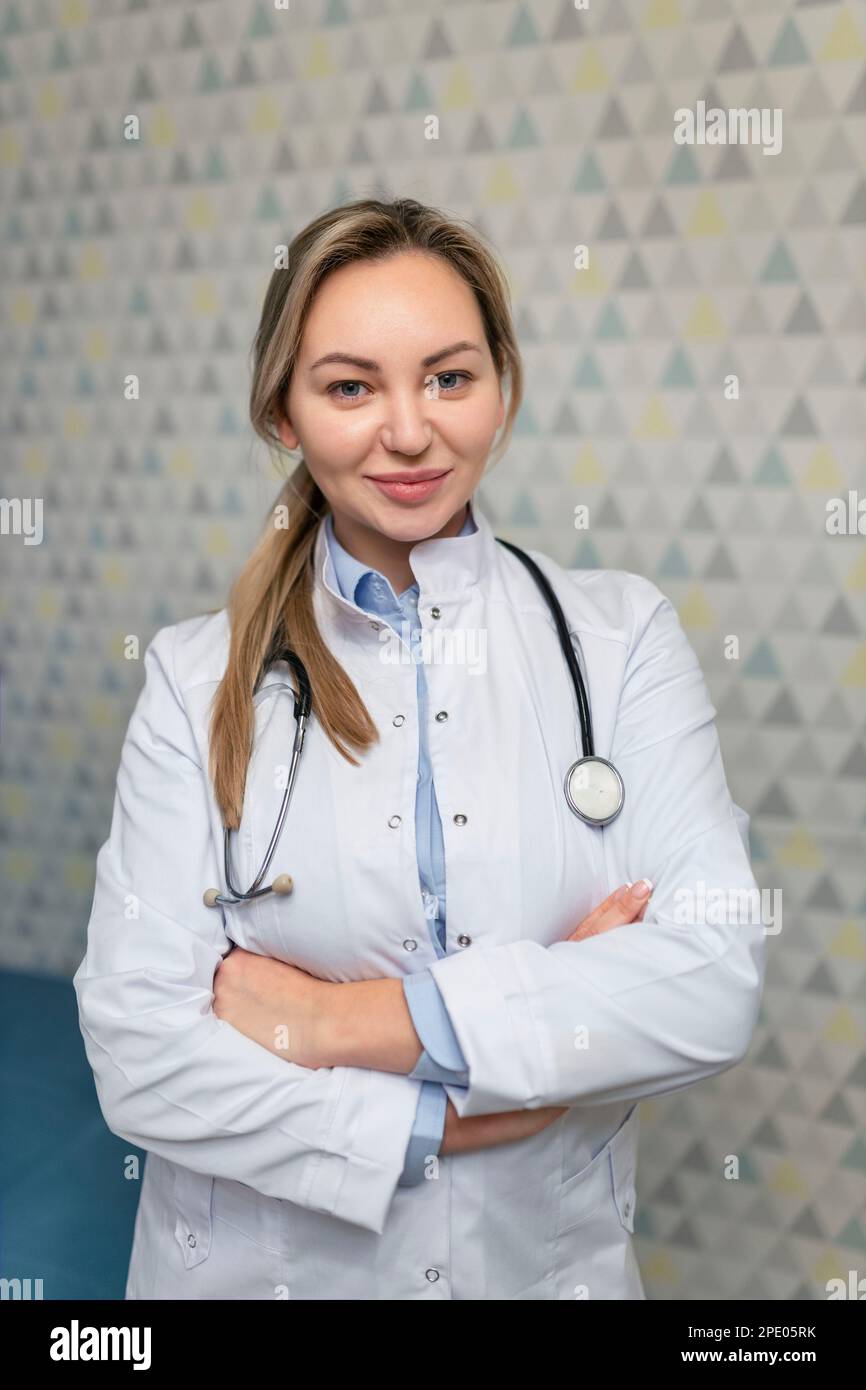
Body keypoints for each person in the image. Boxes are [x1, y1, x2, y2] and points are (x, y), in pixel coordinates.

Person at [73, 196, 766, 1301]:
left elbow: (709, 978)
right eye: (350, 386)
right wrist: (444, 1116)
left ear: (502, 388)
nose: (408, 431)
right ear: (284, 414)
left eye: (448, 377)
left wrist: (331, 1020)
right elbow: (140, 1052)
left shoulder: (619, 639)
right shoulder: (193, 679)